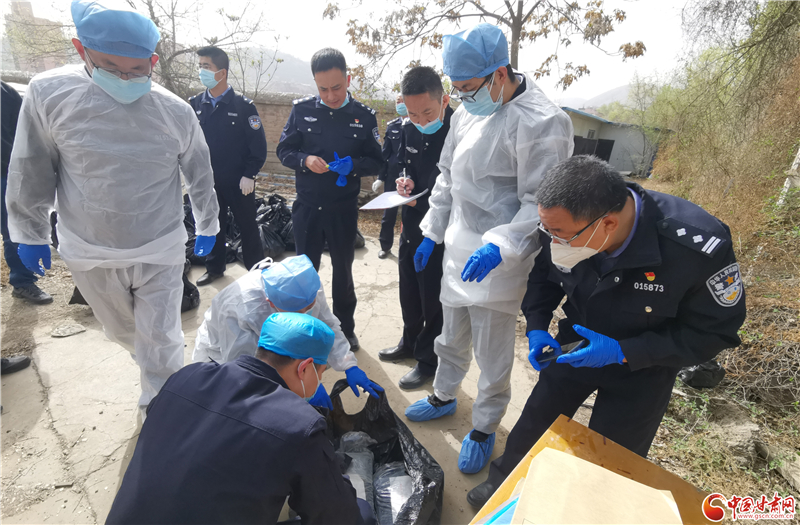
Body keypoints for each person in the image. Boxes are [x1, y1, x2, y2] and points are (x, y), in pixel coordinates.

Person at [467, 155, 747, 507]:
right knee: (536, 421)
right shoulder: (566, 224)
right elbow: (544, 278)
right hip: (575, 345)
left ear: (608, 224)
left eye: (559, 235)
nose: (553, 241)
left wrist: (624, 351)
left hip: (646, 365)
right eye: (548, 231)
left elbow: (716, 331)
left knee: (613, 458)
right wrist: (537, 327)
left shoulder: (696, 246)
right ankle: (505, 486)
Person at [6, 0, 220, 413]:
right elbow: (32, 166)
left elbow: (200, 171)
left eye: (136, 69)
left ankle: (162, 410)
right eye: (110, 66)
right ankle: (153, 370)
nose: (124, 78)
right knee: (123, 330)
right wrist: (29, 232)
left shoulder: (174, 111)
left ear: (153, 62)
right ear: (81, 50)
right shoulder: (50, 95)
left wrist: (208, 224)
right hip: (90, 248)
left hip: (159, 245)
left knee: (162, 337)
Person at [405, 23, 574, 475]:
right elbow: (447, 176)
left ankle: (484, 425)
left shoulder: (543, 122)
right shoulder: (468, 111)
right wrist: (432, 231)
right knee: (449, 335)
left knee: (492, 351)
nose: (462, 97)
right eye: (457, 88)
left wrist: (502, 244)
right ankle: (443, 394)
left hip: (502, 258)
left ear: (499, 73)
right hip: (459, 247)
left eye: (467, 87)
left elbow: (542, 202)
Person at [106, 312, 376, 525]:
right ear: (305, 368)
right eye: (321, 372)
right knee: (361, 514)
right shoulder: (299, 425)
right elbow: (339, 516)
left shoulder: (187, 376)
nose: (320, 380)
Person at [276, 48, 383, 351]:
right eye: (323, 89)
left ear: (348, 79)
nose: (331, 95)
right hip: (308, 207)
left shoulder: (363, 116)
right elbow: (284, 150)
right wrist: (305, 160)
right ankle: (305, 327)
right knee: (305, 273)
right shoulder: (301, 110)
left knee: (343, 271)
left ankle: (345, 329)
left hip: (342, 209)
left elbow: (377, 161)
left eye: (336, 87)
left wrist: (354, 166)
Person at [193, 254, 383, 408]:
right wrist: (303, 390)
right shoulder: (243, 308)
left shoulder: (305, 284)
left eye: (309, 307)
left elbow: (327, 324)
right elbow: (247, 367)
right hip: (220, 355)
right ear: (270, 303)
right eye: (297, 312)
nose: (306, 313)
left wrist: (348, 364)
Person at [378, 67, 453, 391]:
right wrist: (403, 182)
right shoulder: (407, 129)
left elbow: (456, 189)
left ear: (444, 101)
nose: (421, 121)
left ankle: (428, 360)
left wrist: (420, 202)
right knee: (408, 292)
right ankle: (409, 342)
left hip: (439, 233)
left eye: (427, 113)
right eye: (412, 113)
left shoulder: (457, 131)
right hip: (410, 226)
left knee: (432, 299)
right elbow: (404, 166)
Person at [189, 46, 268, 285]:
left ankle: (257, 270)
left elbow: (258, 145)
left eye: (206, 67)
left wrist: (250, 174)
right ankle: (214, 268)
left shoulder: (243, 106)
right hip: (208, 180)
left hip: (239, 180)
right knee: (213, 224)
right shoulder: (195, 104)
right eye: (200, 66)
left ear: (221, 73)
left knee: (248, 226)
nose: (201, 71)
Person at [1, 81, 52, 304]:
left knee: (14, 229)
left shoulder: (5, 93)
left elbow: (26, 132)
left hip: (5, 174)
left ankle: (22, 282)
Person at [373, 93, 406, 258]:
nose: (400, 104)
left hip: (410, 178)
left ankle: (407, 249)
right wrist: (381, 177)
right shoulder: (393, 126)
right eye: (397, 101)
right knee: (389, 215)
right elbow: (385, 155)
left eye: (402, 101)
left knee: (409, 216)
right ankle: (385, 246)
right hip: (393, 177)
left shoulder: (420, 124)